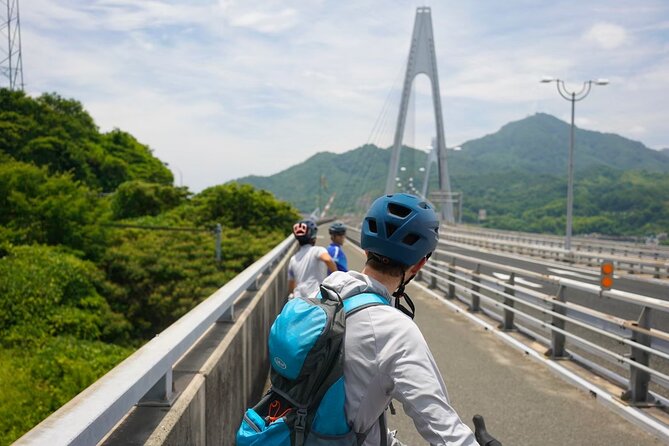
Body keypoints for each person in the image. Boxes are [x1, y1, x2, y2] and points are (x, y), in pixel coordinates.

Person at [320, 193, 479, 446]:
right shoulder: (396, 331)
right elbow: (443, 430)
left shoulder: (317, 297)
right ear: (419, 264)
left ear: (364, 247)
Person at [288, 219, 337, 299]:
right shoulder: (318, 250)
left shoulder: (293, 259)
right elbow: (327, 260)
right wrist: (337, 276)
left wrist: (291, 294)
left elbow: (291, 284)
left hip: (299, 300)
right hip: (316, 299)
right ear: (312, 236)